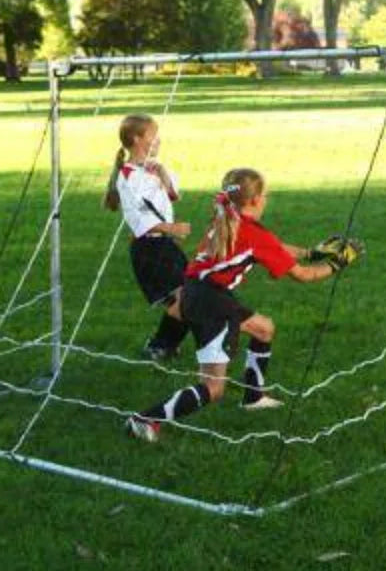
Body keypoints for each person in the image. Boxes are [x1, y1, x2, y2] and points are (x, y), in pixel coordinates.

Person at [125, 167, 364, 443]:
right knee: (213, 388)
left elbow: (273, 246)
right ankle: (144, 419)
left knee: (264, 329)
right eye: (265, 196)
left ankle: (254, 397)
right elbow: (304, 276)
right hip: (213, 305)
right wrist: (338, 262)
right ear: (254, 200)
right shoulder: (249, 231)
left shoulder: (226, 217)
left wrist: (312, 252)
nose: (266, 200)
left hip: (196, 292)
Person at [103, 113, 191, 360]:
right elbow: (138, 217)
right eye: (153, 135)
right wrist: (171, 228)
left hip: (164, 245)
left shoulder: (152, 169)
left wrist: (162, 173)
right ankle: (160, 345)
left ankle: (167, 345)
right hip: (149, 248)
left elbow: (174, 195)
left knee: (189, 296)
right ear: (137, 139)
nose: (159, 140)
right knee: (186, 297)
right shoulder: (129, 176)